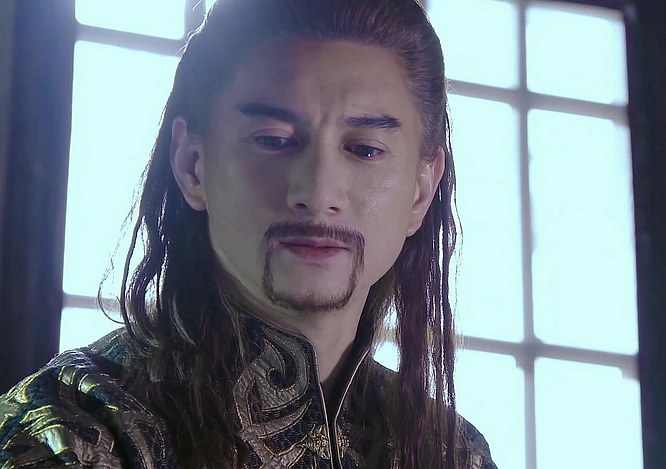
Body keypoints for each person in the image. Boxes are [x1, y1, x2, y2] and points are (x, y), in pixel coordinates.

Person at [0, 0, 497, 467]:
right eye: (274, 140)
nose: (317, 192)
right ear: (192, 165)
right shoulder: (71, 431)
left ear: (421, 190)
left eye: (364, 149)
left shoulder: (451, 452)